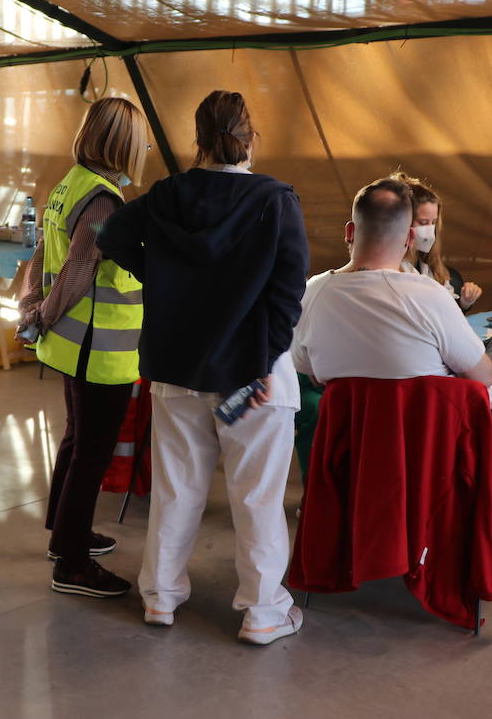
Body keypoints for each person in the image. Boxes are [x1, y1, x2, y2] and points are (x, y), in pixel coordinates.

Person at [98, 90, 309, 646]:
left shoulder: (167, 194)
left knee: (176, 489)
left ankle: (160, 598)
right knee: (258, 495)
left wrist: (160, 276)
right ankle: (263, 612)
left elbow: (112, 234)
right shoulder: (274, 199)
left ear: (196, 140)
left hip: (175, 365)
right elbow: (288, 294)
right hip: (251, 373)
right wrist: (264, 362)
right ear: (251, 139)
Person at [17, 97, 150, 600]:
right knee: (91, 453)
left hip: (73, 345)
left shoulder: (70, 183)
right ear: (124, 145)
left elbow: (40, 255)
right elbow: (77, 270)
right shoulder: (102, 201)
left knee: (77, 442)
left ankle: (65, 534)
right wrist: (40, 315)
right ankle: (72, 563)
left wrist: (34, 309)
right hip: (99, 348)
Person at [292, 178, 492, 437]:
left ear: (350, 231)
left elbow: (314, 377)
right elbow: (482, 377)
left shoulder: (312, 291)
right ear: (410, 237)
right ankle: (480, 440)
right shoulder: (428, 293)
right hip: (428, 430)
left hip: (354, 430)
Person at [390, 172, 481, 310]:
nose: (429, 229)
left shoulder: (427, 264)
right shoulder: (391, 270)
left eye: (433, 222)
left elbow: (444, 311)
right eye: (423, 222)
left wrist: (464, 302)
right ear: (402, 221)